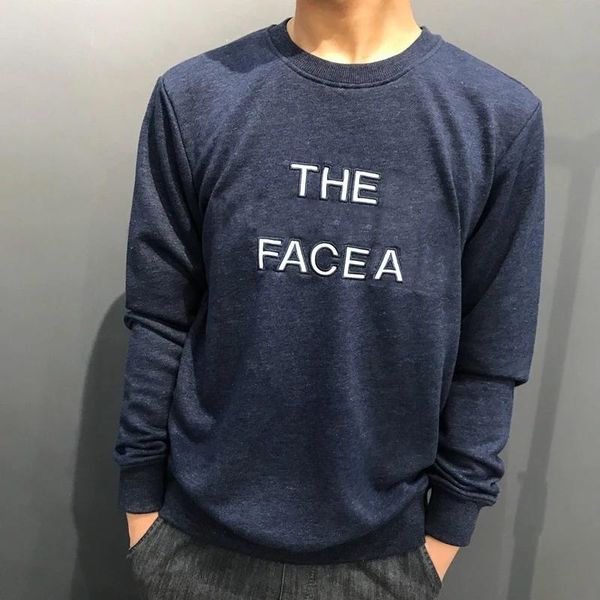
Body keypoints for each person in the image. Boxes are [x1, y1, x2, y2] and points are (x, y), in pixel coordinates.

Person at [112, 1, 545, 598]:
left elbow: (492, 351)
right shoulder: (194, 96)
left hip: (385, 560)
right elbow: (159, 317)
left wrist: (446, 532)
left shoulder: (497, 117)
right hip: (192, 546)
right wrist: (142, 509)